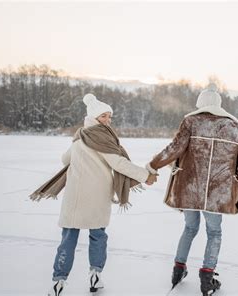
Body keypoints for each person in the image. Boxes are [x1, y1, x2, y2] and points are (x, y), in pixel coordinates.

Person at [30, 94, 156, 296]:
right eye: (104, 116)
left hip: (74, 196)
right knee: (98, 236)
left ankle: (59, 280)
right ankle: (95, 275)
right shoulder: (101, 137)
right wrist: (144, 176)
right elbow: (119, 163)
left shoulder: (80, 136)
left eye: (109, 116)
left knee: (69, 238)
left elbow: (65, 159)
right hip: (96, 196)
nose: (108, 120)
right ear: (95, 117)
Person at [145, 83, 238, 295]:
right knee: (214, 232)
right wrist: (235, 179)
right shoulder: (233, 127)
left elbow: (173, 149)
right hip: (218, 194)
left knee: (190, 228)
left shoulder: (191, 122)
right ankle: (207, 276)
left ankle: (178, 269)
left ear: (200, 103)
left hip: (190, 189)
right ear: (219, 104)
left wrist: (152, 165)